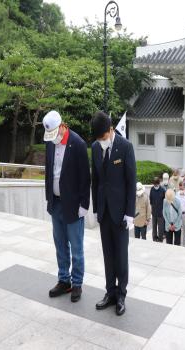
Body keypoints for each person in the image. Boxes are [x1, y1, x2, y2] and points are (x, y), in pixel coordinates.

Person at [91, 111, 136, 316]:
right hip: (104, 211)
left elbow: (130, 181)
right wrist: (94, 208)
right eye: (98, 139)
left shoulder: (125, 147)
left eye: (103, 137)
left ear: (110, 130)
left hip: (120, 213)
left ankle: (121, 295)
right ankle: (110, 292)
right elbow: (96, 181)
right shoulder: (95, 147)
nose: (101, 141)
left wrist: (129, 213)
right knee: (108, 254)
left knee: (121, 255)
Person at [44, 111, 91, 303]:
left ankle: (77, 283)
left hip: (73, 205)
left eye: (55, 133)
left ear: (63, 126)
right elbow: (49, 172)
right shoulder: (50, 143)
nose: (53, 138)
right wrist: (49, 197)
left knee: (76, 248)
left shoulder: (78, 144)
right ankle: (64, 280)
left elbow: (85, 178)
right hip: (56, 203)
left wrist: (84, 205)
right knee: (60, 244)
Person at [149, 177, 166, 242]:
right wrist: (151, 209)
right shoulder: (152, 189)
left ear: (159, 183)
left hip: (160, 212)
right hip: (154, 211)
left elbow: (165, 201)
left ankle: (160, 239)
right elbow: (150, 200)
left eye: (156, 184)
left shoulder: (162, 190)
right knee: (154, 226)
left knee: (160, 227)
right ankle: (154, 238)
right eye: (154, 184)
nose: (155, 186)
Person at [176, 181, 185, 246]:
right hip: (178, 214)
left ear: (184, 186)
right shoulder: (177, 194)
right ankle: (177, 243)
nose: (181, 187)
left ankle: (184, 244)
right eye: (180, 186)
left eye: (182, 186)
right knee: (177, 229)